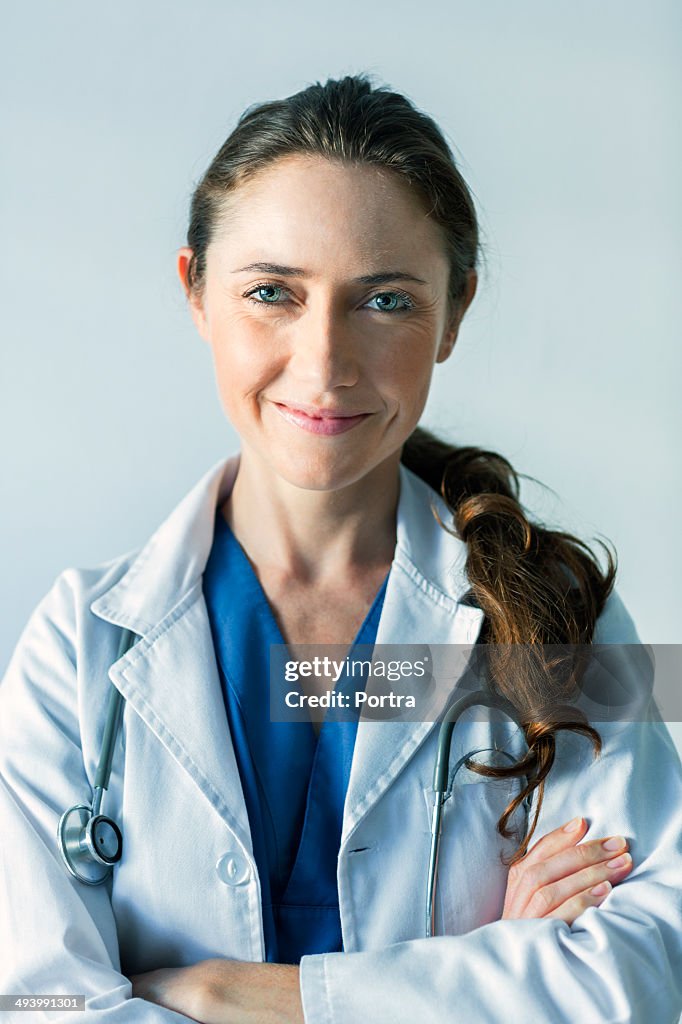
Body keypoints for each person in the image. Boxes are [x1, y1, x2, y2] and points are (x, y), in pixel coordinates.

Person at [1, 74, 681, 1024]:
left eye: (387, 301)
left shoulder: (562, 614)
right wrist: (487, 975)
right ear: (196, 293)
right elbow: (42, 1008)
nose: (324, 365)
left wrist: (231, 995)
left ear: (456, 312)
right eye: (272, 292)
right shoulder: (79, 645)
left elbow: (638, 980)